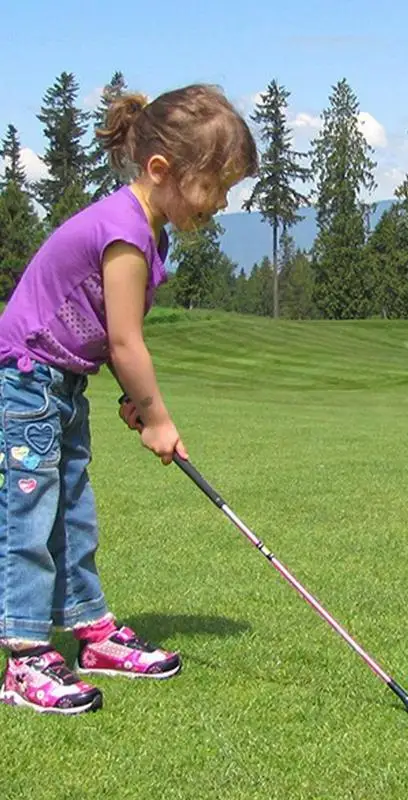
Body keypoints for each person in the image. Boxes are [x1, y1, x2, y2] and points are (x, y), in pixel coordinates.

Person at [0, 84, 258, 715]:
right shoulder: (124, 231)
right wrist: (157, 417)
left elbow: (96, 326)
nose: (220, 203)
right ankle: (24, 657)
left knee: (74, 513)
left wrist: (131, 400)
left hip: (61, 383)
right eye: (215, 186)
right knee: (29, 518)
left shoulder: (150, 231)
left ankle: (91, 631)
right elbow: (124, 339)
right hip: (24, 380)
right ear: (161, 170)